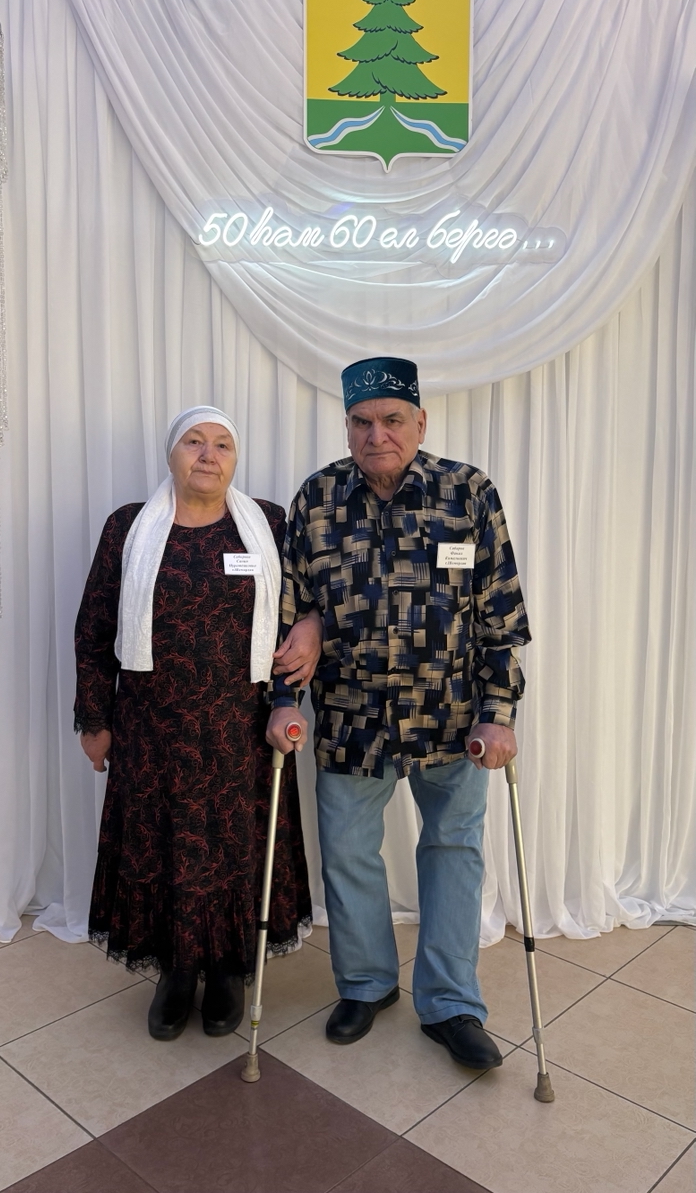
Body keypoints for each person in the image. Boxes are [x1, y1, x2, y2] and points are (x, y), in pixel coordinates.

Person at [268, 358, 531, 1071]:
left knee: (453, 852)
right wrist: (285, 701)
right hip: (351, 716)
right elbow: (291, 612)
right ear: (347, 426)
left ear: (420, 423)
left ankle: (450, 1004)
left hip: (452, 718)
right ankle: (366, 985)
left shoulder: (468, 492)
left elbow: (501, 615)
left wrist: (499, 713)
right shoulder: (317, 498)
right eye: (362, 421)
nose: (376, 434)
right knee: (349, 852)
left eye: (391, 420)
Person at [75, 406, 321, 1041]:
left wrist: (303, 658)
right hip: (151, 730)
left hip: (242, 728)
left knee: (234, 849)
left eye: (222, 445)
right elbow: (95, 628)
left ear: (235, 460)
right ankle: (176, 972)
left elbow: (299, 615)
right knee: (164, 848)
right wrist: (93, 721)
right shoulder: (128, 526)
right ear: (171, 454)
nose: (208, 454)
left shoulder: (268, 524)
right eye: (194, 442)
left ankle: (228, 970)